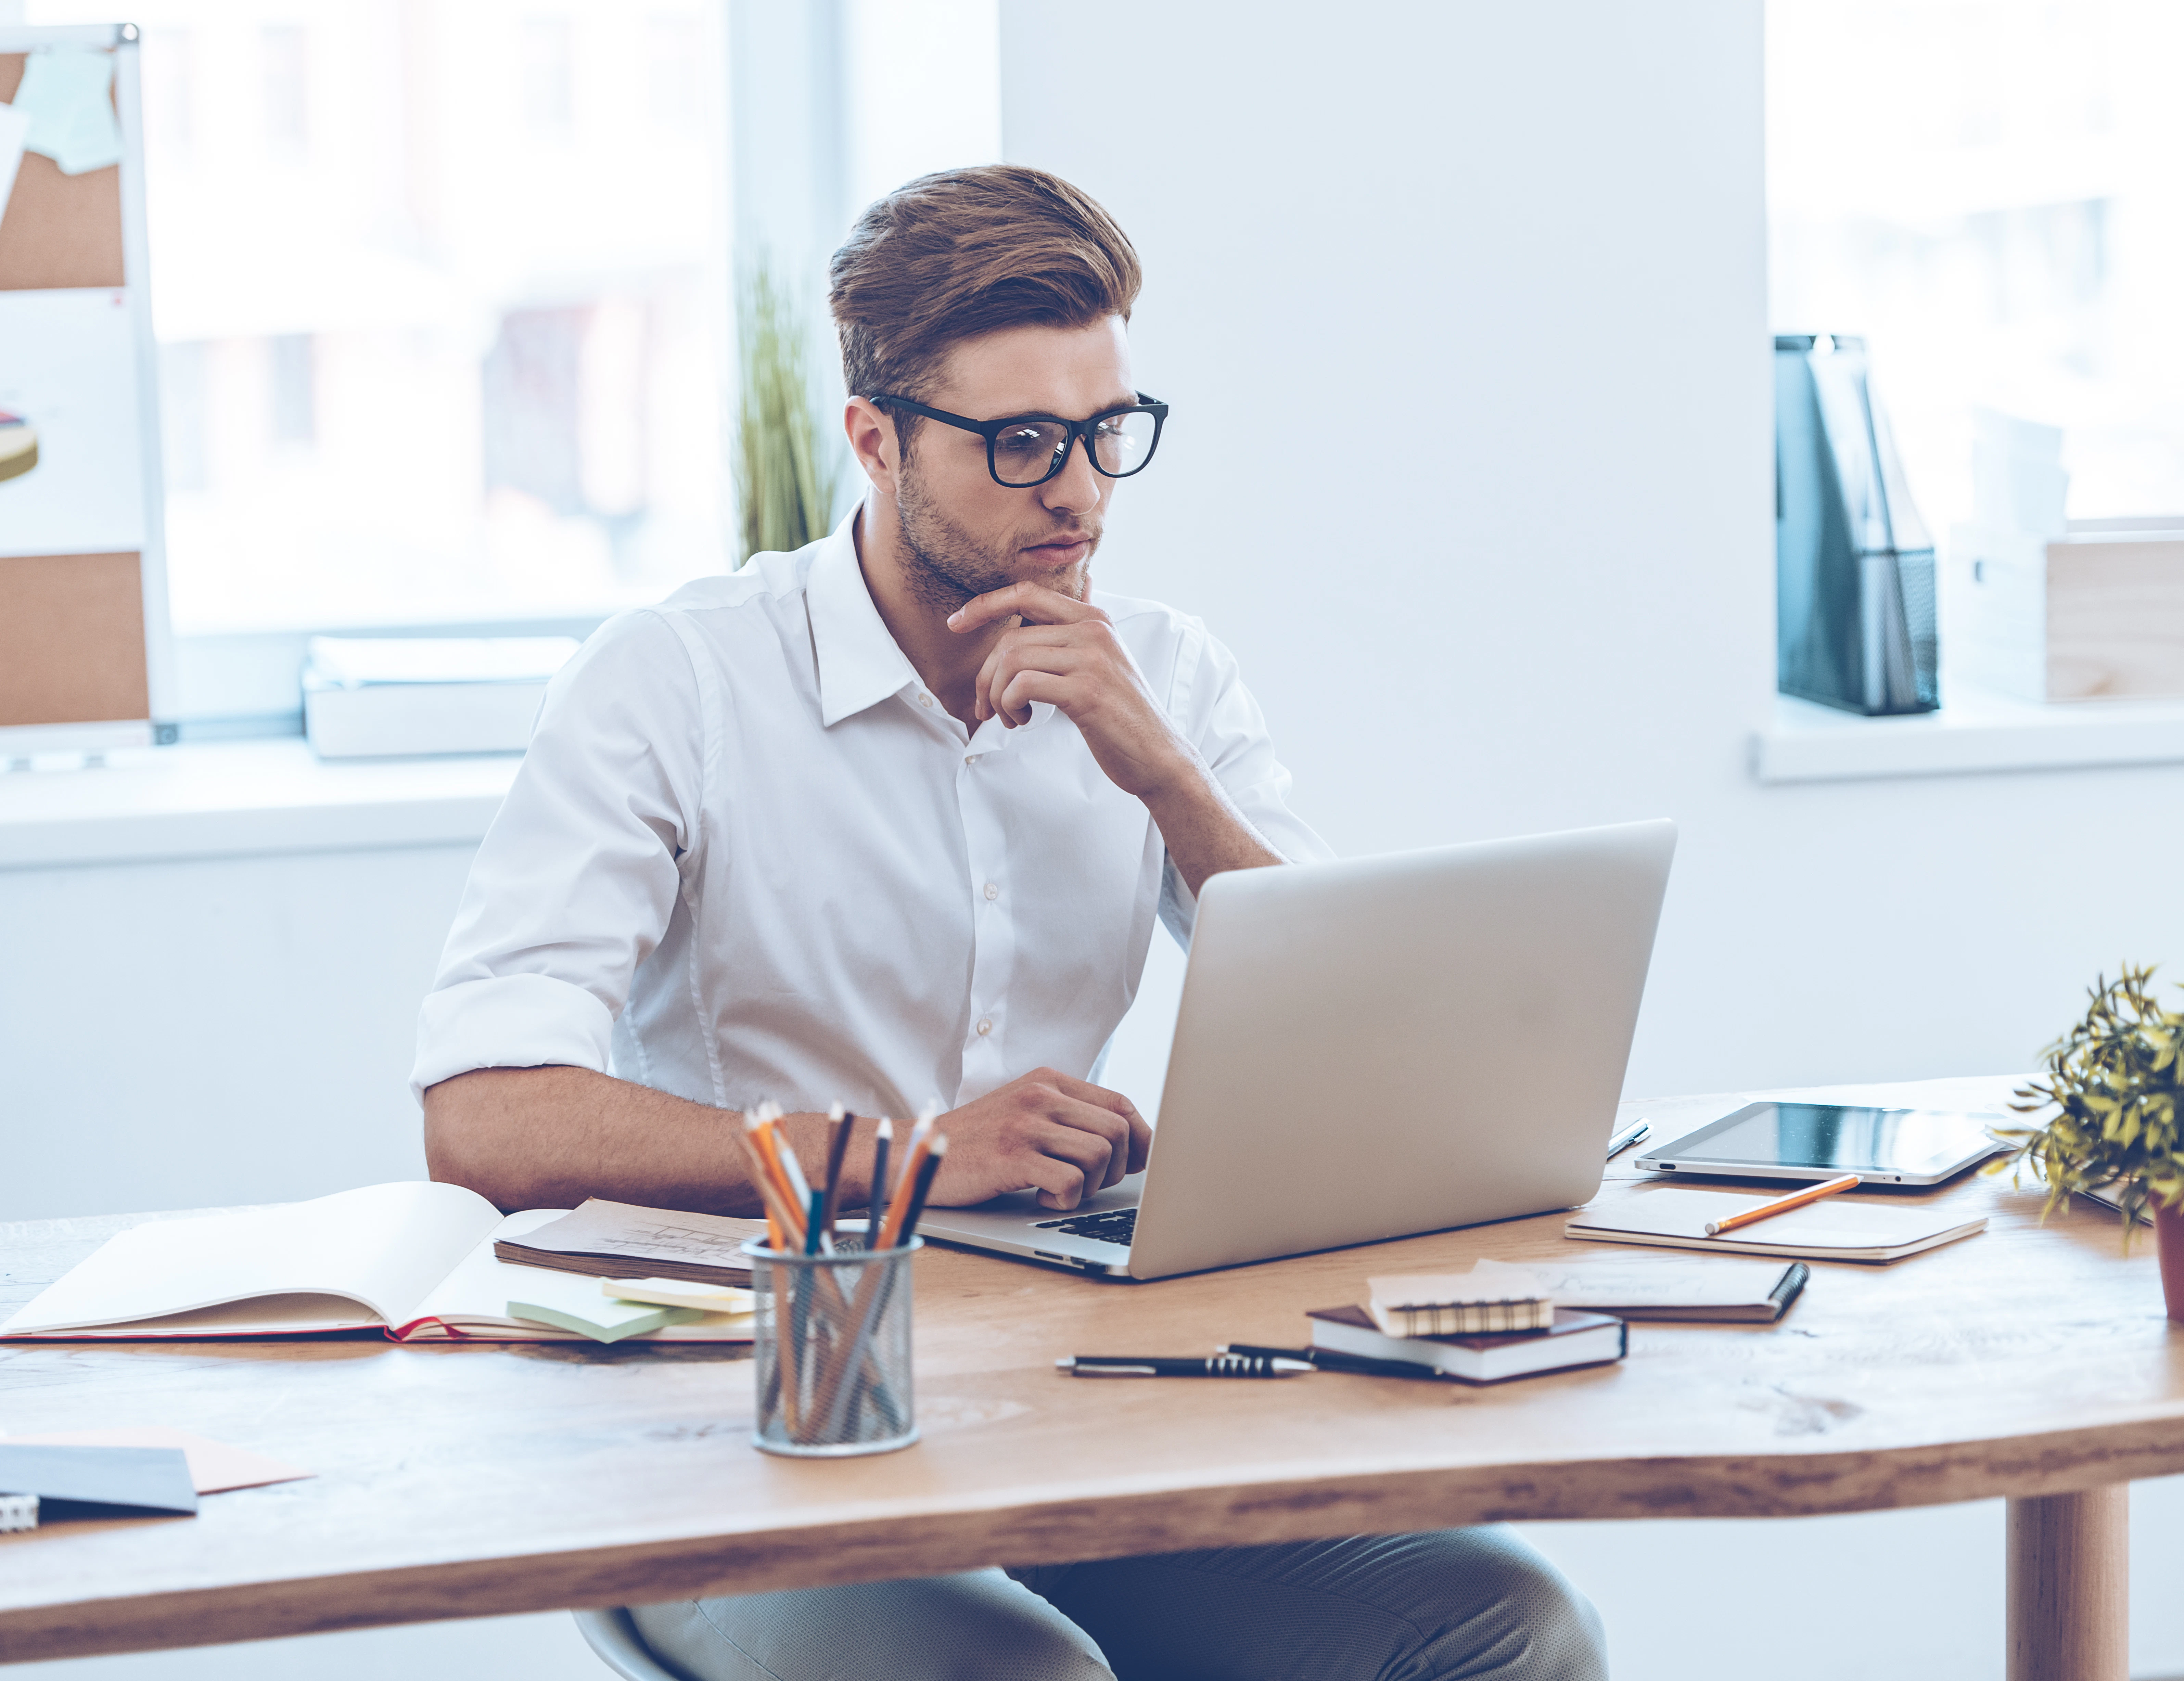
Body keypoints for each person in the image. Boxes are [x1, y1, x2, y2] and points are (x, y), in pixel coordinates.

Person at [413, 163, 1607, 1681]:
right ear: (874, 438)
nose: (1081, 491)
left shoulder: (1163, 671)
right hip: (750, 1421)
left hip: (1072, 1394)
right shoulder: (676, 685)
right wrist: (902, 1162)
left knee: (1508, 1625)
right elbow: (487, 1119)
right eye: (1023, 443)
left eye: (1108, 432)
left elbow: (1357, 1035)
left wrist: (1161, 771)